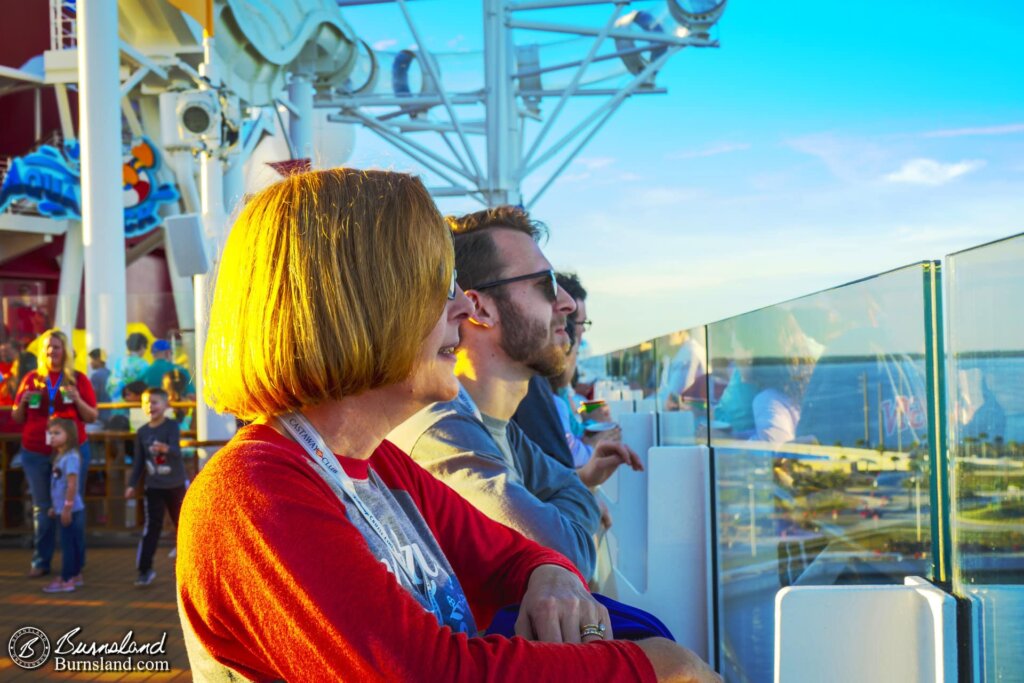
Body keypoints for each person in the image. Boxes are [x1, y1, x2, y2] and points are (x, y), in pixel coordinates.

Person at [177, 168, 718, 682]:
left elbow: (517, 552)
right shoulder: (254, 494)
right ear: (359, 304)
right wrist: (662, 669)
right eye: (438, 284)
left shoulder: (377, 465)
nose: (463, 306)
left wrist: (548, 575)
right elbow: (432, 674)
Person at [388, 207, 643, 580]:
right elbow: (569, 553)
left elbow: (570, 488)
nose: (568, 305)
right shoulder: (442, 432)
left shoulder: (498, 426)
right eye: (547, 285)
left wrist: (575, 495)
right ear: (480, 308)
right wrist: (581, 501)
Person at [12, 328, 98, 577]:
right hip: (36, 450)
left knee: (73, 505)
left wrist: (77, 399)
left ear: (65, 351)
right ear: (43, 352)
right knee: (42, 507)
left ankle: (75, 562)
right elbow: (17, 417)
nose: (52, 352)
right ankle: (41, 561)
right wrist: (23, 402)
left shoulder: (78, 379)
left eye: (57, 347)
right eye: (48, 348)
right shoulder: (31, 379)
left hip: (71, 452)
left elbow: (92, 415)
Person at [125, 387, 185, 587]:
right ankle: (144, 569)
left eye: (155, 402)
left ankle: (187, 569)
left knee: (183, 526)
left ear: (165, 405)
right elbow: (139, 462)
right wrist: (132, 484)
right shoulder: (142, 432)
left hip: (175, 484)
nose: (151, 406)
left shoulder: (172, 426)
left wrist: (166, 448)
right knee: (151, 527)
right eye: (146, 403)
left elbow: (177, 451)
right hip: (154, 486)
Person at [41, 417, 86, 593]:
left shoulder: (71, 457)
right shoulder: (60, 456)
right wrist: (56, 507)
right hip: (64, 508)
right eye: (50, 433)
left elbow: (72, 484)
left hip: (71, 510)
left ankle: (67, 579)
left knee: (68, 545)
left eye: (57, 433)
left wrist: (66, 508)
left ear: (70, 435)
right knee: (72, 543)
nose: (52, 436)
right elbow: (57, 485)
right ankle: (75, 575)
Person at [107, 332, 149, 402]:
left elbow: (109, 386)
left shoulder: (119, 362)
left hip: (117, 405)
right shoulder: (143, 364)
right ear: (142, 346)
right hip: (135, 406)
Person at [88, 348, 112, 427]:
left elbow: (93, 396)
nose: (90, 363)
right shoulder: (110, 373)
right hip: (111, 412)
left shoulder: (95, 376)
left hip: (100, 414)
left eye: (91, 360)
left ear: (98, 360)